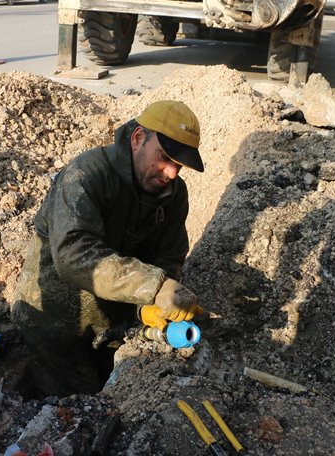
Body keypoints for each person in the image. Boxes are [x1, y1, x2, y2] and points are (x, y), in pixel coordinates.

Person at [10, 100, 204, 398]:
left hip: (113, 326)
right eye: (165, 157)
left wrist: (152, 304)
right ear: (138, 138)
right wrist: (154, 286)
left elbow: (168, 253)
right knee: (79, 405)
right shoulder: (86, 175)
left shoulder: (174, 195)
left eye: (179, 165)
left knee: (112, 390)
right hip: (56, 324)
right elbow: (74, 255)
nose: (172, 172)